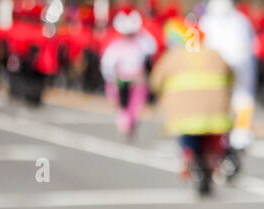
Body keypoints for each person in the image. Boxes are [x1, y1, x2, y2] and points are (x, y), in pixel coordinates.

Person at [149, 18, 234, 186]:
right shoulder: (214, 53)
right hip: (215, 114)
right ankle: (213, 160)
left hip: (184, 115)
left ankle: (187, 156)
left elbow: (156, 81)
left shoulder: (173, 55)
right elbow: (231, 76)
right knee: (214, 136)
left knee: (187, 133)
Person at [199, 0, 257, 158]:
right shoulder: (241, 20)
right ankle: (239, 137)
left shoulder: (206, 21)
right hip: (236, 69)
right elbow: (252, 47)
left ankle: (230, 138)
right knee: (242, 100)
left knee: (232, 101)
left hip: (218, 71)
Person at [100, 10, 155, 140]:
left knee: (136, 107)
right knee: (122, 106)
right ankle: (124, 126)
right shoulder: (116, 45)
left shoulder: (142, 42)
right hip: (121, 80)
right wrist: (112, 80)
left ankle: (130, 126)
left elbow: (152, 47)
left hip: (137, 80)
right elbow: (107, 64)